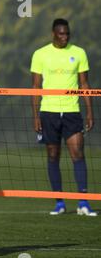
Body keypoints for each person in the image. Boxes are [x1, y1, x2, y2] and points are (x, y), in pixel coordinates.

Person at [31, 18, 97, 216]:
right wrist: (35, 116)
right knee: (53, 155)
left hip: (71, 112)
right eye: (61, 34)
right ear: (53, 33)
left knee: (77, 154)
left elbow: (84, 84)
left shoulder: (78, 53)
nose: (64, 37)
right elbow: (35, 87)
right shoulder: (40, 54)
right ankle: (59, 202)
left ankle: (83, 202)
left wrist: (90, 111)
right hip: (49, 112)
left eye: (67, 34)